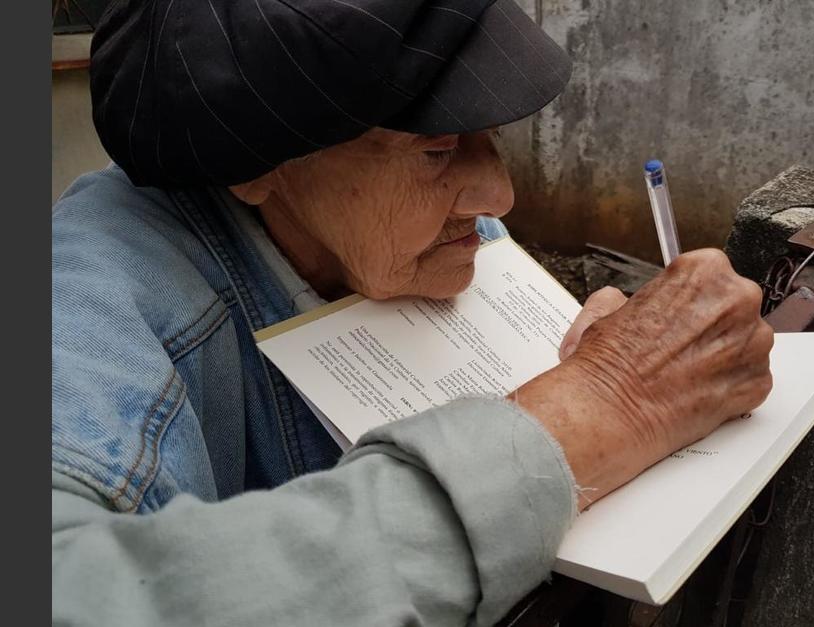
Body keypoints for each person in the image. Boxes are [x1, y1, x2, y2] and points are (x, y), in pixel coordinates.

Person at [52, 1, 774, 625]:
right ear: (257, 168)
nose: (499, 198)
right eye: (436, 151)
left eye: (488, 131)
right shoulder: (85, 297)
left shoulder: (416, 228)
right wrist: (603, 403)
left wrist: (579, 362)